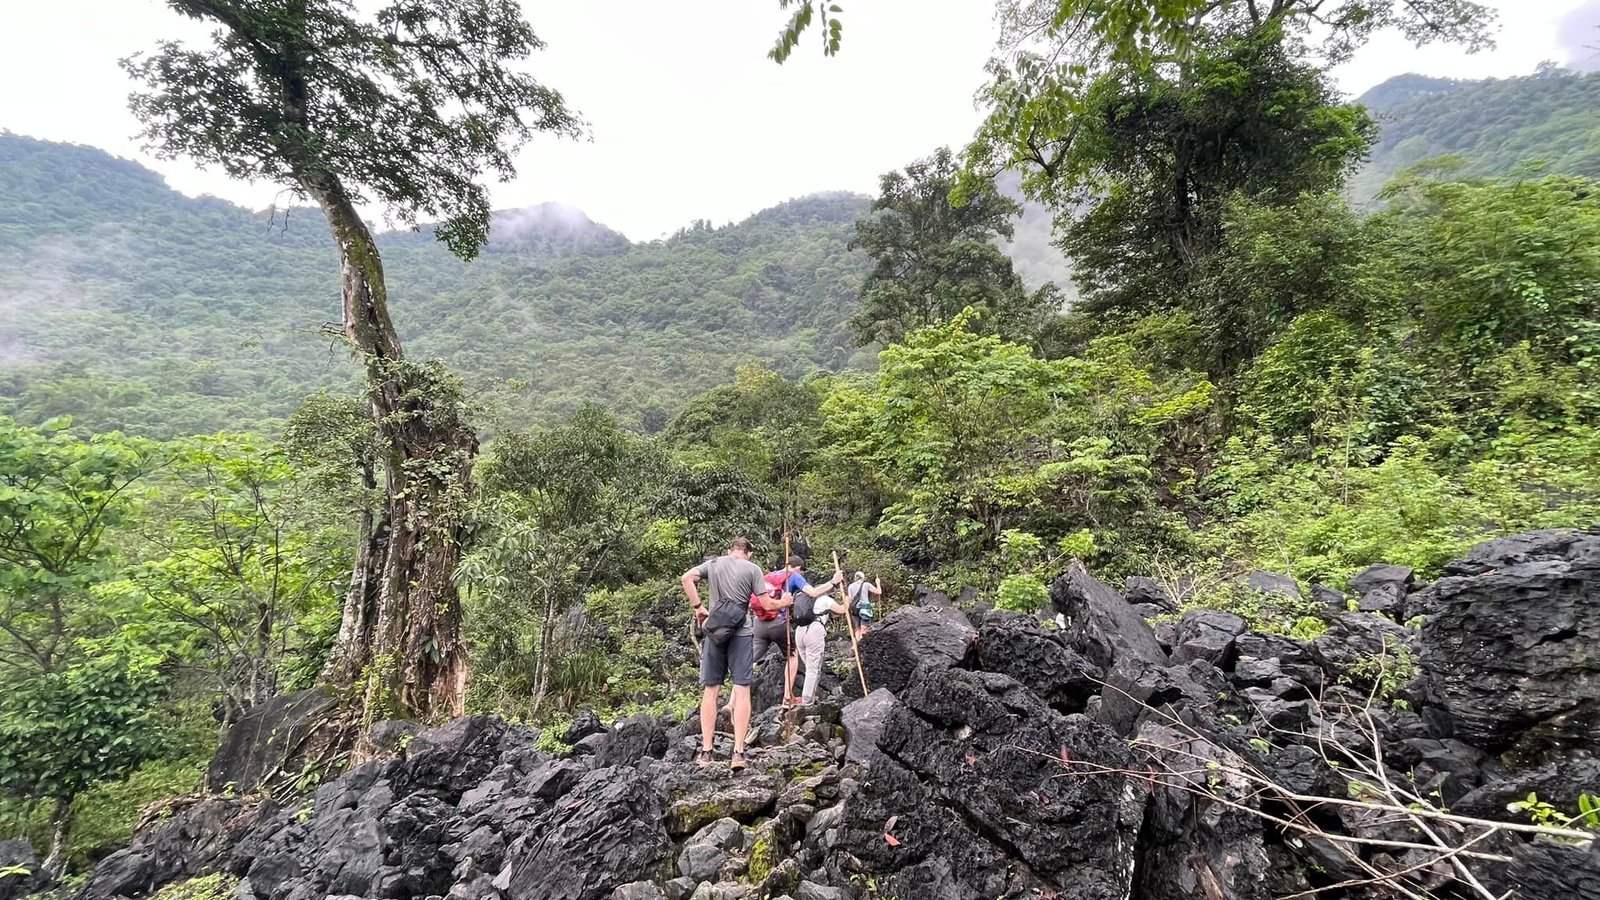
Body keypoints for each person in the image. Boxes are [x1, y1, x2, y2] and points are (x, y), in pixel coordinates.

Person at [681, 537, 769, 771]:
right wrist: (786, 601)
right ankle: (738, 753)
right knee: (742, 689)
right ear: (748, 553)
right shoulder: (753, 569)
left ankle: (707, 752)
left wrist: (699, 608)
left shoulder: (713, 563)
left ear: (730, 550)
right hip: (741, 634)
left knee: (711, 690)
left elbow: (686, 578)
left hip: (714, 633)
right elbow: (767, 605)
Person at [782, 556, 844, 707]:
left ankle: (805, 697)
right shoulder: (825, 599)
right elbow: (842, 610)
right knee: (812, 669)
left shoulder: (799, 597)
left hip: (799, 632)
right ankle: (808, 701)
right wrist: (847, 601)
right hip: (814, 631)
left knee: (808, 666)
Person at [847, 571, 880, 638]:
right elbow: (879, 592)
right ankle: (862, 645)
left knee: (857, 628)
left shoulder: (850, 586)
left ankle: (857, 646)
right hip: (865, 609)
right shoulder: (866, 584)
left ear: (855, 578)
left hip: (854, 609)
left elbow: (850, 599)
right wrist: (878, 583)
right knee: (864, 629)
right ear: (863, 578)